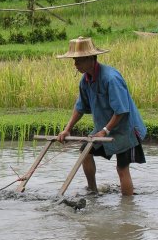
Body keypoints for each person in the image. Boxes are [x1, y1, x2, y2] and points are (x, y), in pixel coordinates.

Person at [56, 37, 146, 196]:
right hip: (104, 129)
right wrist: (67, 130)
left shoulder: (111, 78)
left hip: (126, 130)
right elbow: (80, 107)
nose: (75, 65)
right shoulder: (86, 80)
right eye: (74, 60)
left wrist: (104, 130)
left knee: (122, 168)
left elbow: (121, 110)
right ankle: (93, 191)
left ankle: (127, 209)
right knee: (85, 152)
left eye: (79, 61)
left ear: (91, 59)